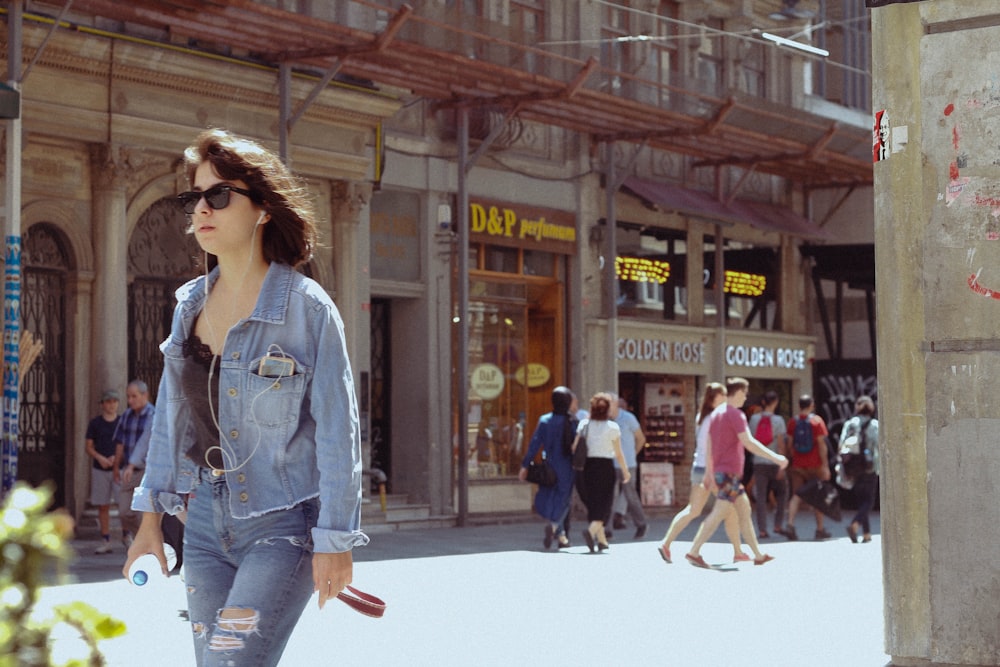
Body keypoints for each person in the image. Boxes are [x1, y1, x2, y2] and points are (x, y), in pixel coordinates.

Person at [124, 128, 367, 666]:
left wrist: (337, 539)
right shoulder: (189, 305)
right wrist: (149, 522)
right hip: (204, 523)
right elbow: (170, 420)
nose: (202, 210)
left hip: (282, 528)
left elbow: (338, 431)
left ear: (261, 209)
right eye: (195, 198)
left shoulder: (307, 309)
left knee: (229, 661)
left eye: (219, 194)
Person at [684, 378, 788, 568]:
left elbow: (708, 445)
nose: (746, 398)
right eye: (744, 394)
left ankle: (757, 554)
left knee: (744, 511)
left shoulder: (716, 414)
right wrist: (776, 457)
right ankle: (694, 551)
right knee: (718, 513)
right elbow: (748, 442)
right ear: (738, 393)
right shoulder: (735, 415)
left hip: (722, 473)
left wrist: (709, 472)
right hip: (729, 473)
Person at [656, 382, 745, 564]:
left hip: (699, 467)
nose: (726, 399)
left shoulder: (701, 417)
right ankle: (732, 552)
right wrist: (711, 473)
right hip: (710, 469)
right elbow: (713, 449)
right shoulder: (716, 418)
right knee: (731, 510)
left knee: (694, 510)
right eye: (723, 395)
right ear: (715, 398)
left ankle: (666, 543)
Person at [518, 386, 577, 549]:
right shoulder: (572, 421)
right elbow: (577, 445)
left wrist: (525, 465)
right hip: (567, 466)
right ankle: (554, 526)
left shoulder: (545, 420)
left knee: (550, 497)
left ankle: (562, 537)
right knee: (564, 500)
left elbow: (534, 444)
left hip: (549, 465)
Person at [573, 392, 629, 552]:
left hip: (587, 467)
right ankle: (590, 532)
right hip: (605, 467)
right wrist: (625, 471)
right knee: (605, 504)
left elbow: (575, 446)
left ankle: (602, 540)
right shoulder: (612, 427)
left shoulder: (584, 424)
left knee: (593, 503)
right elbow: (618, 453)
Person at [784, 394, 832, 541]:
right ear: (811, 405)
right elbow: (822, 444)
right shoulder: (817, 421)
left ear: (799, 406)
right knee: (818, 496)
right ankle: (820, 529)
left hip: (798, 465)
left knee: (797, 495)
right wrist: (825, 465)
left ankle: (790, 524)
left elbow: (790, 444)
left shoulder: (793, 422)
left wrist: (791, 459)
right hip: (815, 464)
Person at [114, 380, 155, 547]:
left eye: (134, 396)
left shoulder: (153, 415)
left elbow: (145, 443)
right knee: (124, 512)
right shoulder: (127, 415)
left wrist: (131, 465)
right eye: (128, 397)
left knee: (142, 513)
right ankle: (143, 540)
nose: (130, 400)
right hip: (129, 470)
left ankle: (147, 545)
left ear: (144, 395)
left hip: (146, 470)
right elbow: (120, 443)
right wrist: (117, 467)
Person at [746, 390, 788, 539]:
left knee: (761, 497)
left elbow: (749, 440)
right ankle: (778, 524)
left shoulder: (754, 420)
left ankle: (762, 529)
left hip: (758, 462)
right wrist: (782, 463)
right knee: (783, 492)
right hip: (775, 462)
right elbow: (781, 444)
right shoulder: (779, 420)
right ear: (775, 403)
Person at [85, 390, 122, 554]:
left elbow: (128, 445)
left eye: (114, 401)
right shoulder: (95, 424)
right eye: (108, 402)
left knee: (124, 505)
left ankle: (127, 535)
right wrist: (100, 458)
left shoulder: (122, 422)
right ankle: (105, 539)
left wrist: (117, 457)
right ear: (102, 404)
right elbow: (89, 447)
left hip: (119, 468)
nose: (111, 404)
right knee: (103, 505)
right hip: (100, 468)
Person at [840, 396, 880, 543]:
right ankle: (854, 524)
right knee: (869, 501)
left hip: (853, 467)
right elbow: (879, 445)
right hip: (871, 466)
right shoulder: (875, 425)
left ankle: (867, 534)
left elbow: (842, 444)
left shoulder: (850, 424)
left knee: (862, 500)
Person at [609, 395, 648, 539]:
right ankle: (606, 528)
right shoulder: (605, 419)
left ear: (616, 404)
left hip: (628, 464)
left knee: (630, 496)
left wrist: (633, 454)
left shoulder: (628, 418)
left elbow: (641, 438)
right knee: (609, 496)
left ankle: (641, 524)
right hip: (610, 464)